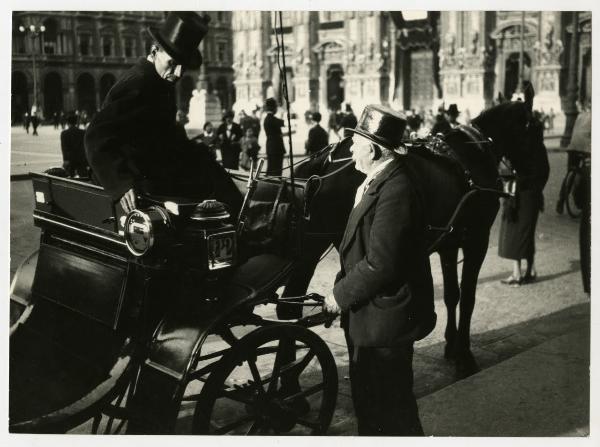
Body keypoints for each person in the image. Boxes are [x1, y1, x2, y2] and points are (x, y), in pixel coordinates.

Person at [324, 104, 436, 436]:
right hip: (371, 316)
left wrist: (338, 297)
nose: (351, 148)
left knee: (393, 412)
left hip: (385, 323)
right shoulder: (380, 178)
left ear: (371, 149)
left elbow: (380, 263)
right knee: (372, 412)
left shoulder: (396, 188)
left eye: (355, 142)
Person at [85, 11, 242, 217]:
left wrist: (196, 149)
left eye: (183, 68)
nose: (177, 73)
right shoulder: (138, 83)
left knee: (209, 168)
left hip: (156, 168)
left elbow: (165, 136)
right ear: (155, 51)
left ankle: (241, 222)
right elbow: (96, 136)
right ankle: (238, 224)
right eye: (172, 63)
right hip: (140, 176)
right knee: (207, 188)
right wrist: (121, 184)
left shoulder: (159, 81)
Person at [499, 82, 550, 286]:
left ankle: (518, 274)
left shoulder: (527, 146)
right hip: (528, 192)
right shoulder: (536, 147)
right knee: (525, 233)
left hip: (522, 192)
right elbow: (543, 171)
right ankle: (530, 270)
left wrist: (522, 180)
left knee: (517, 233)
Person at [61, 113, 89, 177]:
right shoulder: (83, 132)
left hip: (70, 159)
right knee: (84, 177)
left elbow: (64, 148)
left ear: (67, 122)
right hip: (81, 158)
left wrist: (65, 159)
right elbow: (85, 146)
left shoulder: (64, 133)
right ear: (76, 122)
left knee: (70, 178)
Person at [263, 97, 285, 176]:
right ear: (273, 108)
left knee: (272, 168)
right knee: (276, 170)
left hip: (270, 147)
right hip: (276, 148)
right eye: (276, 107)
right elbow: (283, 123)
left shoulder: (267, 119)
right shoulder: (272, 119)